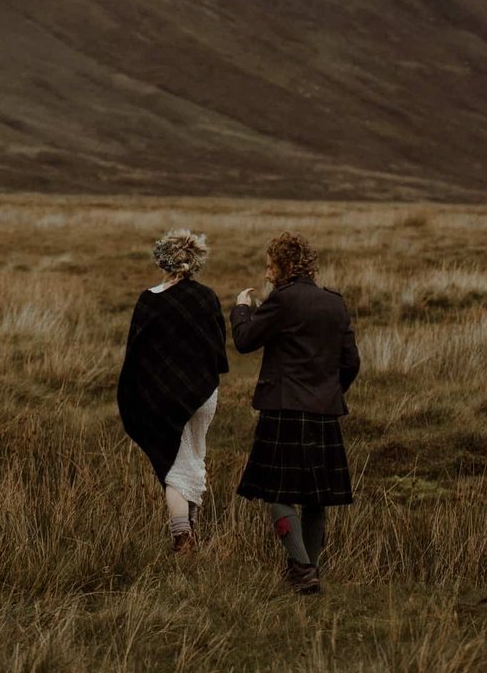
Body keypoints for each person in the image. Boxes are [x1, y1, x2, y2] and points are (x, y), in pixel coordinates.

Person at [231, 231, 360, 593]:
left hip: (284, 409)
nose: (267, 271)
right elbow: (351, 362)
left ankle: (303, 570)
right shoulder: (334, 303)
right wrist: (328, 392)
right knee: (317, 498)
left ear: (285, 266)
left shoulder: (282, 301)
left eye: (270, 264)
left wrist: (242, 308)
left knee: (279, 493)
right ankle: (307, 569)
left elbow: (244, 341)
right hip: (322, 411)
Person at [117, 228, 229, 554]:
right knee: (193, 457)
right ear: (194, 263)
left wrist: (137, 395)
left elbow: (136, 354)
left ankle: (182, 537)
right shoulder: (207, 297)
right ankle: (192, 529)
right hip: (203, 393)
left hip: (162, 398)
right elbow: (218, 348)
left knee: (173, 466)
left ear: (162, 261)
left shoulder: (148, 300)